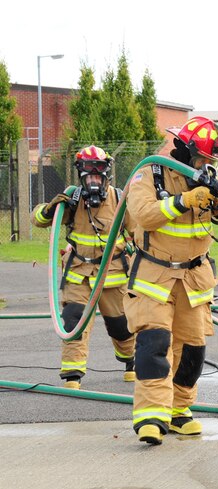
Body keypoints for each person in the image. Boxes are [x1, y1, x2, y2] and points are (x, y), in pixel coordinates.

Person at [125, 116, 218, 445]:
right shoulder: (149, 173)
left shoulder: (208, 180)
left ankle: (179, 411)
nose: (208, 166)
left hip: (194, 280)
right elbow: (144, 215)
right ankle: (151, 415)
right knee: (155, 345)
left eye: (213, 161)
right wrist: (183, 201)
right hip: (155, 277)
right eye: (203, 159)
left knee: (192, 350)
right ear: (184, 150)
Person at [31, 145, 136, 389]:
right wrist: (49, 209)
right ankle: (73, 374)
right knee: (73, 320)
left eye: (98, 176)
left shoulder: (120, 199)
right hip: (79, 274)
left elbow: (139, 230)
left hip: (114, 276)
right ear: (82, 176)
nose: (94, 181)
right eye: (89, 177)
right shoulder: (72, 199)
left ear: (106, 175)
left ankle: (131, 361)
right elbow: (38, 219)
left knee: (122, 326)